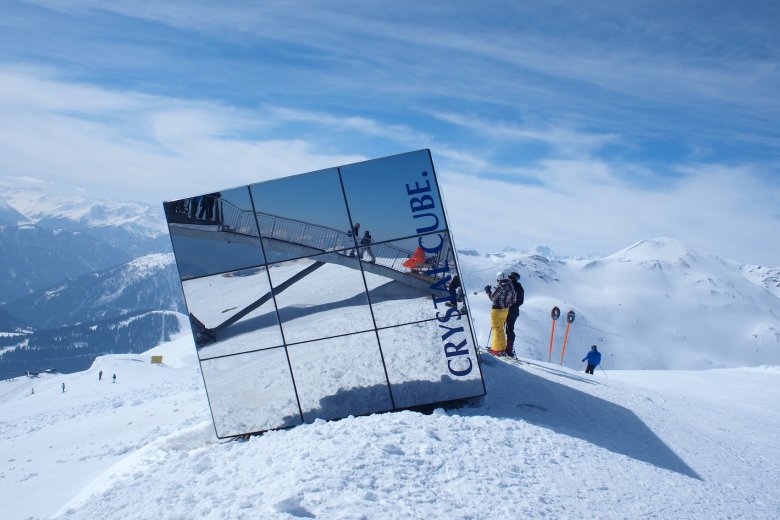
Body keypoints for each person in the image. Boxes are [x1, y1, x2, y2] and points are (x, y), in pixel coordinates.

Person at [485, 272, 517, 356]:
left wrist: (488, 291)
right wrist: (506, 304)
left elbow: (492, 298)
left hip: (496, 310)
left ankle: (496, 349)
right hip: (505, 310)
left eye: (497, 280)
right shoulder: (511, 287)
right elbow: (514, 300)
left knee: (496, 329)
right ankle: (501, 348)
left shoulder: (501, 287)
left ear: (499, 279)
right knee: (501, 329)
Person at [505, 272, 525, 358]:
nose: (509, 278)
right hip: (514, 311)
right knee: (510, 329)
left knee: (502, 328)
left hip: (507, 310)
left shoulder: (509, 287)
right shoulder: (520, 288)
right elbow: (520, 302)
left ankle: (502, 347)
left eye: (510, 277)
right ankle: (509, 349)